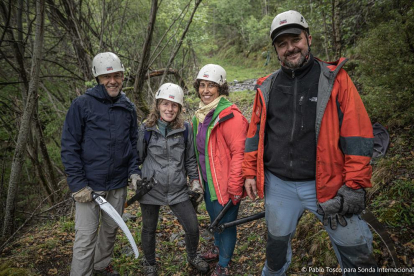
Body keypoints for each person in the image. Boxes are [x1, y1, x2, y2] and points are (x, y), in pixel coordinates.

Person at [242, 10, 379, 276]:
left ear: (309, 39)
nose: (290, 48)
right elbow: (255, 134)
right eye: (282, 44)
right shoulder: (267, 87)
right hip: (279, 185)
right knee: (276, 248)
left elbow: (358, 135)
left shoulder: (335, 80)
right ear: (276, 49)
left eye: (295, 39)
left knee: (357, 252)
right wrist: (249, 171)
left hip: (329, 185)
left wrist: (354, 185)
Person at [61, 52, 141, 276]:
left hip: (117, 184)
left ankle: (100, 266)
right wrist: (77, 184)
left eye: (116, 75)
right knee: (85, 237)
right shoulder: (82, 105)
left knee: (109, 230)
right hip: (89, 186)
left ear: (123, 77)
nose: (112, 81)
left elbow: (132, 144)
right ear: (98, 78)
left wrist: (134, 171)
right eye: (107, 77)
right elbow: (69, 146)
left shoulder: (128, 107)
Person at [137, 83, 209, 276]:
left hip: (178, 189)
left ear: (179, 108)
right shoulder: (146, 129)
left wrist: (194, 181)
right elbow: (136, 159)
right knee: (149, 228)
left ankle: (193, 256)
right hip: (151, 189)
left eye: (174, 105)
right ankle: (150, 263)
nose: (169, 109)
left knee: (192, 227)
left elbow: (190, 159)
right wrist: (135, 177)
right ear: (158, 105)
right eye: (165, 104)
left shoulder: (185, 129)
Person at [192, 64, 248, 276]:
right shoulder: (201, 115)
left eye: (211, 86)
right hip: (208, 182)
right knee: (214, 219)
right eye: (202, 85)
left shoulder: (230, 116)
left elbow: (239, 154)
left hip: (225, 184)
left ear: (221, 88)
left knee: (226, 225)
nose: (206, 90)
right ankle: (217, 248)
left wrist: (235, 186)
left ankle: (224, 264)